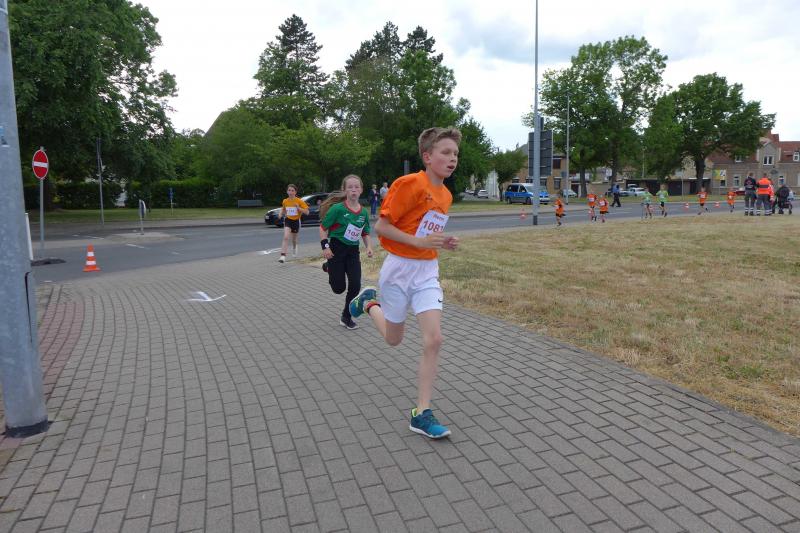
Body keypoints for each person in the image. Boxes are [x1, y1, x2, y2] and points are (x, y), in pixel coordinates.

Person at [349, 127, 460, 439]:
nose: (452, 159)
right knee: (393, 339)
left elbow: (427, 231)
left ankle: (421, 413)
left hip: (427, 271)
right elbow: (382, 227)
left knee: (434, 339)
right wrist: (418, 241)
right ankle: (368, 303)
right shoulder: (409, 184)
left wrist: (443, 241)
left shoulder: (446, 195)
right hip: (398, 269)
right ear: (427, 157)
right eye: (445, 152)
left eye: (455, 154)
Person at [319, 175, 374, 330]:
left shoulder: (363, 213)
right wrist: (325, 247)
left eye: (356, 187)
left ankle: (346, 317)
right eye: (350, 187)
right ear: (344, 190)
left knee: (355, 284)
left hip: (353, 252)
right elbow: (323, 229)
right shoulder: (337, 209)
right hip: (336, 249)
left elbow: (365, 232)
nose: (353, 190)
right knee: (338, 289)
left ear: (361, 190)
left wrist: (369, 247)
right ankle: (329, 266)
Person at [278, 184, 309, 263]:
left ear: (295, 192)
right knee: (286, 237)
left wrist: (298, 208)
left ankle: (294, 248)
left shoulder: (299, 201)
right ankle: (283, 256)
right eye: (289, 190)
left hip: (296, 221)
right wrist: (280, 213)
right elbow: (283, 209)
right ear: (287, 191)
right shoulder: (285, 201)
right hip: (288, 220)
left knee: (294, 240)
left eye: (292, 190)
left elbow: (307, 212)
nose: (291, 192)